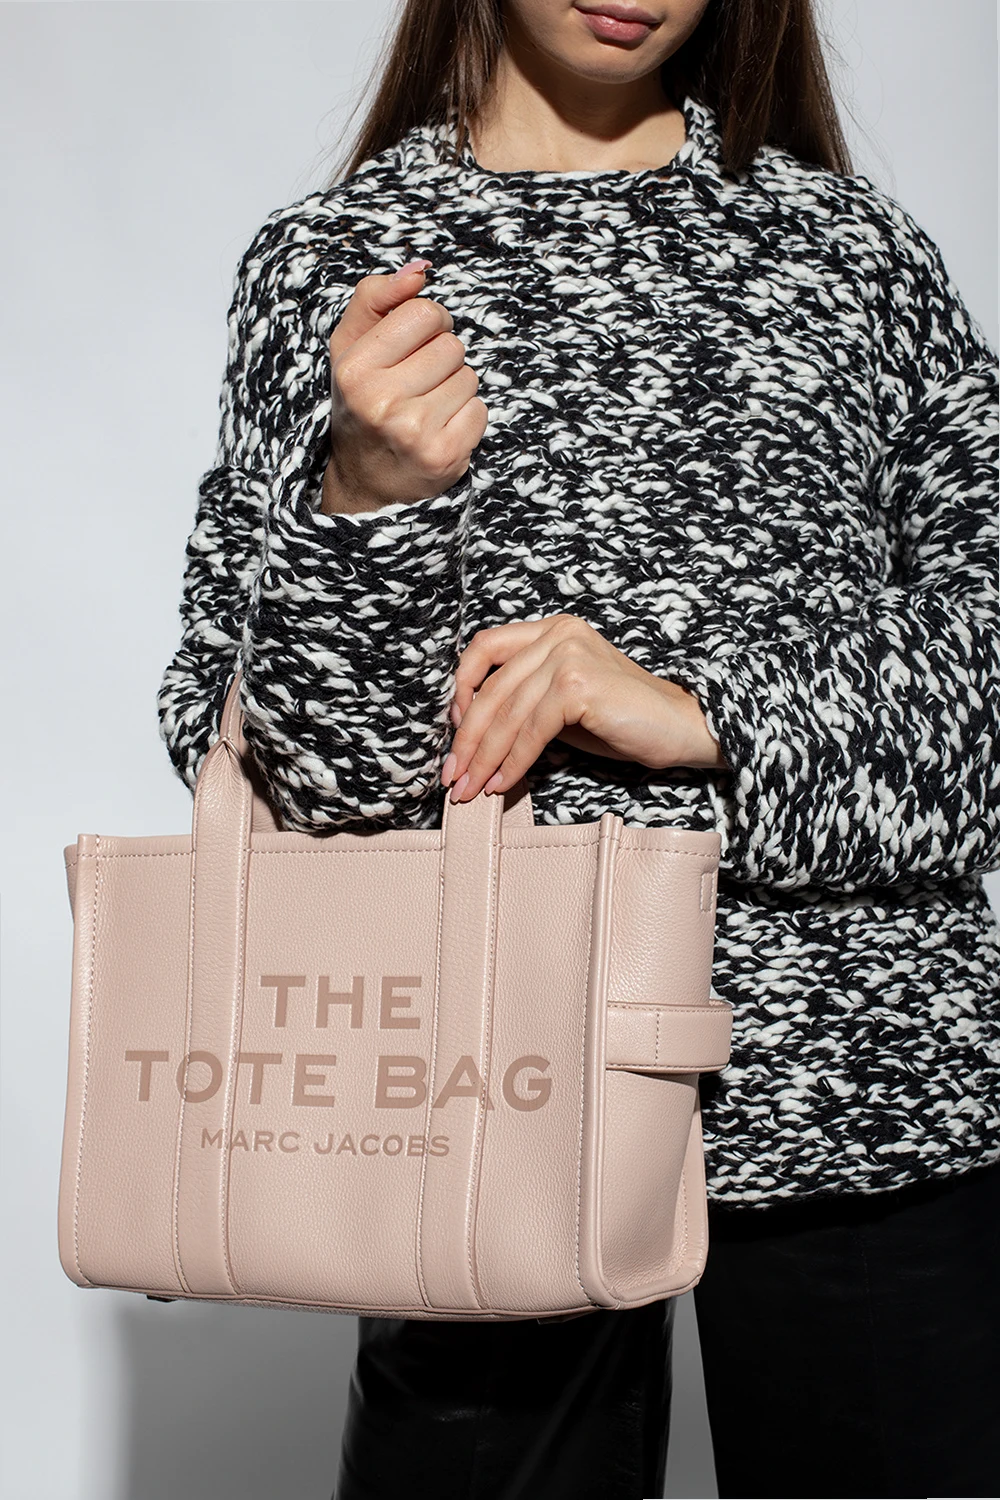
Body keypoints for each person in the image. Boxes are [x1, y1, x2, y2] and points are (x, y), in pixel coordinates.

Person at [157, 0, 1000, 1495]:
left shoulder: (854, 256)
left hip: (862, 1086)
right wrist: (370, 502)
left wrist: (708, 712)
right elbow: (298, 787)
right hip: (482, 1084)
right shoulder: (333, 267)